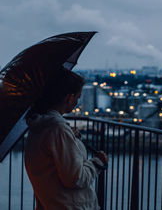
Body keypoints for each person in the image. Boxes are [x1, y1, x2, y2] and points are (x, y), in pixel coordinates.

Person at [24, 67, 108, 210]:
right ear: (69, 97)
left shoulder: (40, 126)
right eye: (77, 97)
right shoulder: (58, 129)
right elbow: (75, 178)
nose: (77, 102)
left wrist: (71, 138)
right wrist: (97, 163)